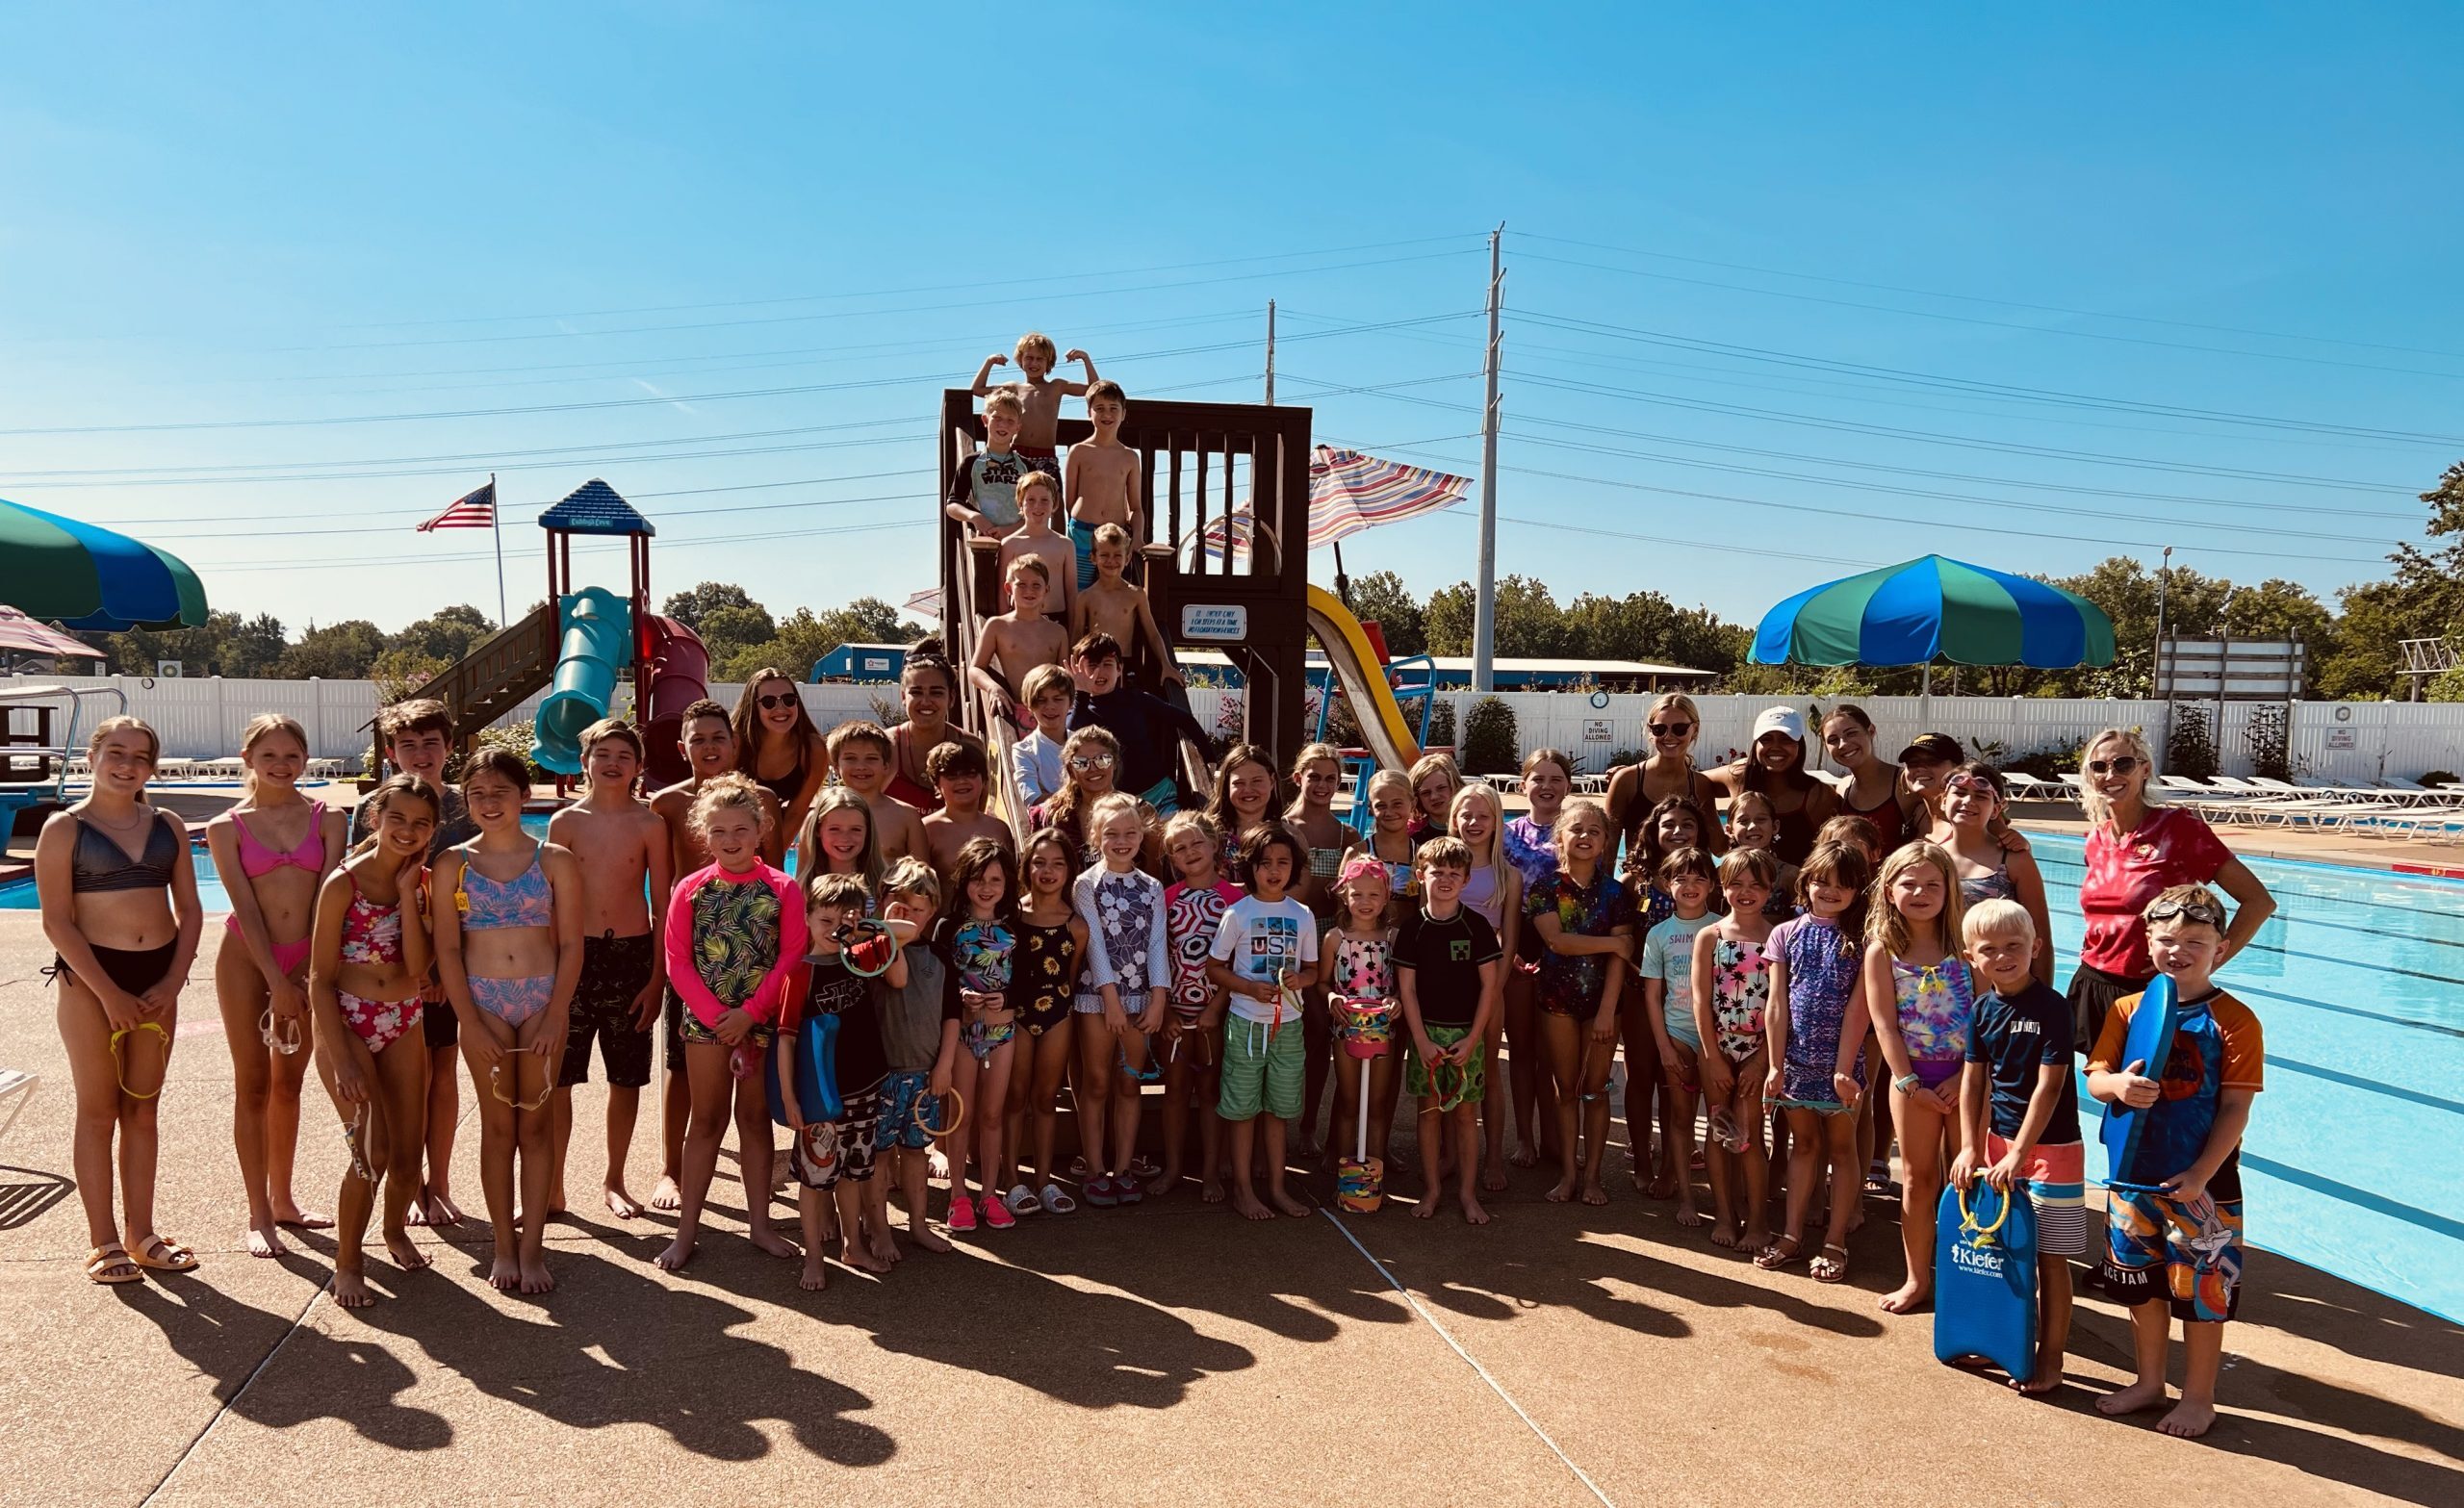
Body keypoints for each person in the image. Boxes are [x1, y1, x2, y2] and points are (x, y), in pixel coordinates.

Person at [2086, 884, 2263, 1439]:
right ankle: (2149, 1382)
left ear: (2222, 946)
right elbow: (2094, 1078)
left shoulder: (2235, 1020)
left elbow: (2236, 1106)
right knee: (2141, 1286)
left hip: (2202, 1185)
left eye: (2195, 941)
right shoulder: (2127, 1008)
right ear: (2147, 940)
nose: (2177, 950)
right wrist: (2117, 1085)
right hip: (2132, 1176)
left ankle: (2199, 1397)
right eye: (2165, 939)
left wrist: (2203, 1174)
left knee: (2203, 1295)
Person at [39, 716, 204, 1285]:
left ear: (151, 768)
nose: (127, 764)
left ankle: (141, 1233)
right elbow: (58, 922)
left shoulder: (169, 825)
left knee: (143, 1109)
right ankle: (103, 1240)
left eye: (140, 756)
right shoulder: (64, 828)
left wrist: (173, 979)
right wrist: (108, 993)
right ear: (92, 755)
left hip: (158, 976)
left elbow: (191, 910)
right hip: (91, 980)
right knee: (99, 1109)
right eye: (116, 751)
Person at [431, 750, 584, 1294]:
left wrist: (556, 1012)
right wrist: (468, 1021)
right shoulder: (454, 863)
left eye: (501, 792)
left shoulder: (555, 860)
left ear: (524, 796)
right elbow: (448, 950)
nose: (489, 803)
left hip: (543, 1000)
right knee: (499, 1129)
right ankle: (502, 1245)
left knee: (537, 1127)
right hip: (483, 1002)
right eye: (478, 794)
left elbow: (571, 944)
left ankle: (533, 1247)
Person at [206, 713, 346, 1257]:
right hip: (246, 959)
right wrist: (275, 979)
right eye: (269, 756)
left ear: (305, 760)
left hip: (307, 957)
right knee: (254, 1085)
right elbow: (243, 906)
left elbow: (328, 902)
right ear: (248, 761)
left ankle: (283, 1199)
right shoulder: (226, 827)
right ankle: (257, 1212)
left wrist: (306, 974)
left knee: (290, 1084)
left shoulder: (328, 818)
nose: (281, 765)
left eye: (292, 755)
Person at [657, 773, 808, 1271]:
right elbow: (677, 959)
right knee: (705, 1121)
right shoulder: (691, 889)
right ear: (705, 834)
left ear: (761, 828)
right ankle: (687, 1231)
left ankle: (760, 1224)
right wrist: (715, 1017)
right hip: (709, 1024)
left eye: (741, 829)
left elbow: (791, 955)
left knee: (753, 1120)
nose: (731, 840)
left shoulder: (782, 888)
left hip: (760, 1020)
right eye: (719, 831)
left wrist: (751, 1014)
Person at [305, 773, 439, 1305]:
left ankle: (394, 1231)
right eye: (398, 818)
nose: (408, 830)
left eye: (421, 823)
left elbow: (419, 966)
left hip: (403, 1016)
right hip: (347, 1019)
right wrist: (342, 1060)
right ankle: (348, 1261)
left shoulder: (421, 881)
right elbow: (318, 978)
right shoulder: (344, 883)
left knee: (408, 1154)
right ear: (375, 818)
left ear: (432, 830)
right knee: (370, 1150)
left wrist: (408, 894)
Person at [650, 699, 784, 1211]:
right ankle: (670, 1169)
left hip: (750, 959)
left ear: (734, 744)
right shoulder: (665, 804)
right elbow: (661, 887)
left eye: (718, 737)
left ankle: (756, 1171)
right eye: (699, 738)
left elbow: (775, 878)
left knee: (754, 1076)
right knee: (680, 1066)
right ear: (684, 748)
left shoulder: (762, 801)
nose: (709, 747)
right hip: (693, 954)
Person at [352, 697, 479, 1227]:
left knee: (443, 1069)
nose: (421, 754)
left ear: (449, 748)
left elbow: (477, 894)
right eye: (409, 745)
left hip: (449, 962)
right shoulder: (371, 812)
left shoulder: (466, 809)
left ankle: (439, 1182)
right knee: (401, 1082)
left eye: (432, 743)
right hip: (387, 970)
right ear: (390, 751)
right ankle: (396, 1184)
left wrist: (445, 971)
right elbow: (357, 892)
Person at [2068, 727, 2273, 1053]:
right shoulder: (2097, 838)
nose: (2110, 774)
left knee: (2153, 1095)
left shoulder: (2179, 829)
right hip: (2093, 983)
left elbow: (2259, 902)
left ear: (2144, 769)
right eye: (2099, 766)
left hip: (2154, 988)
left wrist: (2206, 964)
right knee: (2102, 1088)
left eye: (2123, 764)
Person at [1952, 899, 2083, 1396]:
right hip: (1998, 1145)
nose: (2003, 957)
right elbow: (1973, 1083)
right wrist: (1969, 1147)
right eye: (1990, 949)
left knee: (2050, 1257)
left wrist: (2020, 1153)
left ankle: (2051, 1356)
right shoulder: (1982, 1010)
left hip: (2053, 1152)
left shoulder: (2052, 1008)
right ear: (1971, 957)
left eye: (2014, 946)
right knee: (2001, 1249)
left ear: (2037, 947)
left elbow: (2049, 1087)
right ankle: (2001, 1336)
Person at [546, 718, 671, 1221]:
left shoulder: (649, 825)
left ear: (638, 766)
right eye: (603, 755)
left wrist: (658, 977)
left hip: (632, 957)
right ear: (585, 763)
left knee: (626, 1077)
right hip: (575, 957)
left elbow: (662, 904)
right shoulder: (565, 823)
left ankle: (614, 1178)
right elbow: (549, 904)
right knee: (560, 1079)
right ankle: (552, 1185)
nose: (613, 763)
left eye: (623, 755)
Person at [1860, 843, 1974, 1316]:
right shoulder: (1883, 951)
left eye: (1932, 884)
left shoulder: (1966, 946)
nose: (1921, 893)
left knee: (1968, 1179)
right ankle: (1916, 1278)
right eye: (1909, 884)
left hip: (1969, 1078)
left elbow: (1986, 1016)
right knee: (1918, 1180)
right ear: (1889, 891)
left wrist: (1966, 1073)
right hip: (1912, 1082)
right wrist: (1908, 1081)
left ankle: (1966, 1274)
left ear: (1950, 890)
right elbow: (1884, 1022)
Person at [1757, 841, 1873, 1283]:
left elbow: (1859, 1008)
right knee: (1802, 1145)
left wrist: (1843, 1068)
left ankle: (1835, 1239)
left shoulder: (1864, 938)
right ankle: (1790, 1235)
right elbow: (1776, 1006)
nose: (1830, 890)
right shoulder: (1784, 933)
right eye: (1822, 880)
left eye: (1843, 885)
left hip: (1841, 1063)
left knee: (1842, 1149)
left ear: (1857, 890)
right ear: (1806, 881)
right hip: (1796, 1060)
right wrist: (1774, 1064)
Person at [777, 871, 886, 1284]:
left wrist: (863, 932)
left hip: (864, 1086)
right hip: (819, 1095)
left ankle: (853, 1246)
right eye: (825, 921)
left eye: (843, 922)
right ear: (806, 918)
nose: (833, 931)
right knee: (816, 1176)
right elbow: (785, 1040)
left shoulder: (863, 957)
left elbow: (904, 937)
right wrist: (790, 1097)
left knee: (856, 1173)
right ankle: (813, 1256)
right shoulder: (799, 974)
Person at [1208, 823, 1321, 1220]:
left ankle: (1276, 1187)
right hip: (1245, 1024)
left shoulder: (1302, 915)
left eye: (1283, 862)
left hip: (1288, 1026)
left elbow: (1312, 970)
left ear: (1295, 867)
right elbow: (1214, 967)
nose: (1274, 870)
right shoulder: (1237, 913)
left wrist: (1301, 980)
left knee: (1279, 1110)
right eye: (1265, 862)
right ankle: (1242, 1189)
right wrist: (1246, 988)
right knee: (1241, 1110)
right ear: (1250, 867)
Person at [1525, 797, 1634, 1206]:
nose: (1585, 836)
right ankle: (1568, 1174)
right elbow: (1557, 940)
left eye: (1594, 831)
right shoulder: (1546, 888)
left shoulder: (1616, 893)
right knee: (1565, 1089)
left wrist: (1608, 1010)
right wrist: (1613, 943)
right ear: (1560, 837)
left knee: (1597, 1090)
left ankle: (1593, 1177)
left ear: (1607, 840)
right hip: (1558, 1000)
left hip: (1603, 1003)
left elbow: (1620, 963)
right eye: (1576, 829)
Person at [1072, 792, 1170, 1206]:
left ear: (1142, 834)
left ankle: (1124, 1167)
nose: (1122, 840)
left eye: (1130, 832)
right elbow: (1093, 942)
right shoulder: (1086, 884)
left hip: (1140, 998)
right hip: (1100, 998)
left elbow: (1156, 943)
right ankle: (1095, 1169)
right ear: (1096, 836)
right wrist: (1110, 1000)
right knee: (1096, 1083)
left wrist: (1159, 998)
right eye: (1112, 833)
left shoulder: (1151, 886)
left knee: (1129, 1084)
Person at [1398, 837, 1502, 1225]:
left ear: (1466, 880)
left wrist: (1474, 1038)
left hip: (1465, 1036)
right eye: (1436, 872)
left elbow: (1490, 986)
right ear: (1420, 875)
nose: (1444, 880)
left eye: (1453, 874)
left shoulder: (1476, 926)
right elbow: (1406, 988)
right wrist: (1421, 1040)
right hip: (1426, 1036)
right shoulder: (1412, 929)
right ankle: (1432, 1189)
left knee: (1464, 1116)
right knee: (1428, 1115)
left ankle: (1467, 1194)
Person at [1690, 848, 1777, 1254]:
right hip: (1717, 1048)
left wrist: (1762, 1060)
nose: (1746, 892)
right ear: (1722, 888)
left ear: (1769, 890)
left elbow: (1781, 1004)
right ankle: (1725, 1213)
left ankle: (1758, 1220)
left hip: (1758, 1049)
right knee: (1718, 1129)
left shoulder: (1777, 936)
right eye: (1737, 884)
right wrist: (1712, 1055)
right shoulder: (1710, 936)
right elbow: (1699, 999)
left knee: (1751, 1136)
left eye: (1755, 885)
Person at [879, 858, 968, 1248]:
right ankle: (879, 1229)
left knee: (916, 1152)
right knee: (879, 1156)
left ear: (933, 910)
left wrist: (945, 1065)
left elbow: (952, 1015)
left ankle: (918, 1224)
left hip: (924, 1072)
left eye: (918, 908)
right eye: (901, 907)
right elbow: (893, 977)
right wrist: (888, 930)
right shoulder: (874, 950)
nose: (910, 916)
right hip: (880, 1073)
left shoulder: (940, 956)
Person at [934, 845, 1018, 1233]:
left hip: (1003, 1032)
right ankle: (958, 1196)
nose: (986, 888)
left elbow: (1028, 980)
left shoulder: (1015, 925)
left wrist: (1008, 997)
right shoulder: (948, 927)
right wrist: (960, 997)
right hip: (962, 1034)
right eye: (978, 879)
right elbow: (936, 980)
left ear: (1007, 884)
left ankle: (989, 1193)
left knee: (991, 1114)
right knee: (960, 1114)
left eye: (995, 880)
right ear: (964, 882)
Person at [1159, 811, 1240, 1203]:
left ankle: (1211, 1172)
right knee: (1174, 1091)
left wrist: (1217, 1007)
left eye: (1196, 843)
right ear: (1171, 858)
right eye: (1179, 848)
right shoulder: (1166, 900)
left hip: (1217, 1014)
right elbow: (1158, 959)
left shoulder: (1236, 899)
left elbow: (1240, 964)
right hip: (1175, 1014)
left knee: (1210, 1093)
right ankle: (1174, 1169)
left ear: (1213, 845)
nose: (1189, 852)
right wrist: (1167, 1011)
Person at [1006, 828, 1086, 1216]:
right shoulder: (1012, 917)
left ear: (1070, 870)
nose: (1048, 871)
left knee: (1045, 1098)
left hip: (1057, 1014)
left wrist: (1058, 1006)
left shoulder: (1076, 925)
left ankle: (1043, 1180)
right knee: (1015, 1097)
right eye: (1040, 862)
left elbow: (1069, 977)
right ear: (1027, 866)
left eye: (1057, 863)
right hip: (1016, 1017)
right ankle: (1010, 1177)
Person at [1502, 748, 1575, 1170]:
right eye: (1538, 779)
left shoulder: (1579, 831)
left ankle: (1556, 1139)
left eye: (1555, 779)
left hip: (1564, 944)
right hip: (1519, 941)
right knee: (1523, 1049)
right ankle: (1526, 1138)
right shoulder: (1508, 835)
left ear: (1568, 786)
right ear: (1522, 785)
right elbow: (1499, 897)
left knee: (1558, 1055)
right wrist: (1508, 949)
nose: (1546, 787)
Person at [1638, 847, 1720, 1226]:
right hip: (1677, 1034)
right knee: (1681, 1119)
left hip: (1717, 1039)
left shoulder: (1724, 928)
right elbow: (1653, 996)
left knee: (1718, 1119)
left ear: (1713, 884)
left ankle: (1721, 1198)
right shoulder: (1659, 934)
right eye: (1681, 878)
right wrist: (1664, 1046)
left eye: (1699, 877)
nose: (1690, 885)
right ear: (1666, 884)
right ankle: (1686, 1198)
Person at [1446, 782, 1521, 1192]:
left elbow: (1508, 942)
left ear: (1497, 822)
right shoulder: (1439, 868)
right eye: (1466, 815)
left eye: (1483, 816)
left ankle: (1492, 1158)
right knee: (1444, 1067)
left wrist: (1494, 990)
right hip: (1443, 983)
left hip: (1488, 983)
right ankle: (1450, 1154)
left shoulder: (1508, 875)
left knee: (1488, 1072)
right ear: (1453, 819)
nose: (1474, 823)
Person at [1282, 741, 1351, 1152]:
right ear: (1298, 779)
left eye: (1331, 778)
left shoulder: (1349, 834)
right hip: (1291, 943)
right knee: (1288, 1035)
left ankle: (1309, 1126)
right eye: (1315, 777)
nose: (1323, 785)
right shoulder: (1284, 829)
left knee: (1322, 1033)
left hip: (1331, 945)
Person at [1323, 856, 1401, 1193]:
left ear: (1385, 897)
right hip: (1346, 1031)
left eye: (1373, 895)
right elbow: (1321, 983)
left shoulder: (1393, 938)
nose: (1365, 903)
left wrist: (1396, 999)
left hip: (1383, 1030)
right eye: (1357, 895)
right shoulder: (1335, 938)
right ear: (1345, 896)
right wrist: (1330, 999)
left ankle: (1373, 1170)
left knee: (1378, 1103)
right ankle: (1345, 1170)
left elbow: (1404, 984)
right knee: (1350, 1099)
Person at [1938, 762, 2053, 983]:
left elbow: (2040, 934)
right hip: (1945, 987)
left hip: (2001, 988)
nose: (1968, 801)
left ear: (1996, 809)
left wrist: (2042, 997)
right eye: (1960, 793)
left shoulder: (2014, 859)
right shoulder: (1932, 859)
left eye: (1981, 796)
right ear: (1944, 800)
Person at [1067, 631, 1203, 812]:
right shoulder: (1079, 709)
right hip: (1112, 803)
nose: (1099, 671)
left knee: (1172, 837)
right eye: (1092, 665)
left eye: (1107, 664)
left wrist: (1209, 760)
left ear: (1120, 669)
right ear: (1078, 670)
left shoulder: (1136, 699)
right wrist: (1081, 693)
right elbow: (1068, 738)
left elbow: (1184, 720)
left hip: (1158, 794)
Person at [1607, 692, 1729, 873]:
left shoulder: (1700, 785)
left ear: (1694, 729)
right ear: (1650, 731)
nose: (1669, 736)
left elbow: (1719, 848)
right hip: (1641, 889)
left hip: (1690, 890)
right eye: (1660, 729)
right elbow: (1608, 850)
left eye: (1679, 729)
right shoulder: (1627, 781)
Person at [1708, 706, 1838, 865]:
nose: (1776, 746)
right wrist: (1714, 830)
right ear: (1756, 744)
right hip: (1741, 886)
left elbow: (1831, 852)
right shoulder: (1739, 777)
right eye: (1767, 739)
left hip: (1794, 886)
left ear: (1800, 745)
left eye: (1786, 739)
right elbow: (1693, 781)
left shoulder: (1818, 794)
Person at [1069, 525, 1180, 689]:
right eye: (1104, 555)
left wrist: (1167, 664)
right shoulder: (1085, 597)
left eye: (1117, 555)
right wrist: (1075, 671)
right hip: (1095, 665)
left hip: (1125, 664)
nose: (1111, 561)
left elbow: (1153, 634)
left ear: (1127, 558)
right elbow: (1076, 637)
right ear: (1093, 557)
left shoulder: (1136, 594)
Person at [731, 670, 831, 847]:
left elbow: (797, 812)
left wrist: (774, 856)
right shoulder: (735, 745)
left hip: (776, 834)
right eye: (769, 702)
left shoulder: (812, 749)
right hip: (729, 834)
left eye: (788, 700)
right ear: (753, 706)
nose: (780, 708)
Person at [971, 330, 1097, 469]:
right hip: (1016, 454)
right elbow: (977, 389)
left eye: (1040, 359)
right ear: (1021, 359)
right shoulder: (1014, 388)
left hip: (1046, 455)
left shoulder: (1056, 386)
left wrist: (1085, 359)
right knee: (1017, 490)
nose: (1034, 363)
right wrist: (989, 362)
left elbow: (1095, 389)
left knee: (1050, 490)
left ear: (1049, 362)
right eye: (1029, 357)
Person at [970, 555, 1070, 725]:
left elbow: (1065, 677)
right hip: (1014, 710)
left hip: (1049, 712)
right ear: (1009, 588)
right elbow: (975, 669)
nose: (1029, 591)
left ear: (1046, 590)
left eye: (1036, 585)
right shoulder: (997, 625)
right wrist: (993, 687)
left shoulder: (1057, 632)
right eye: (1021, 584)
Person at [886, 652, 987, 815]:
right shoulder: (885, 745)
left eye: (936, 692)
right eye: (916, 692)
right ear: (903, 696)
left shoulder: (972, 747)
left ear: (951, 698)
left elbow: (979, 814)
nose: (926, 701)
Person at [1065, 377, 1141, 592]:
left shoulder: (1129, 457)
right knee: (1078, 593)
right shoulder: (1078, 451)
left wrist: (1138, 537)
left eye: (1113, 408)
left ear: (1123, 414)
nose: (1107, 414)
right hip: (1081, 533)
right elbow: (1069, 501)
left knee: (1110, 593)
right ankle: (1077, 627)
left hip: (1115, 538)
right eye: (1099, 408)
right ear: (1089, 413)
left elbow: (1136, 506)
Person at [1819, 704, 1921, 856]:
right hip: (1851, 879)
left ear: (1871, 731)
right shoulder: (1843, 788)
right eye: (1833, 740)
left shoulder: (1905, 783)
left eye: (1851, 733)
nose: (1843, 744)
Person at [823, 720, 927, 864]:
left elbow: (924, 878)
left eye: (871, 758)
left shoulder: (906, 816)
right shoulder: (821, 816)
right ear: (835, 767)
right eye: (850, 758)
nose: (861, 766)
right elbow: (805, 878)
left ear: (886, 766)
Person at [942, 387, 1038, 541]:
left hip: (1019, 541)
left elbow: (1037, 508)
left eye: (1010, 420)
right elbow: (952, 505)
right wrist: (975, 517)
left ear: (1017, 428)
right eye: (997, 418)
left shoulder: (1026, 467)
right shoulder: (972, 463)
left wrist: (1010, 530)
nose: (1003, 424)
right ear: (985, 420)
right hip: (986, 541)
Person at [921, 740, 1013, 877]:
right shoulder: (927, 829)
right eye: (952, 776)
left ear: (984, 781)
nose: (962, 781)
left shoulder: (1000, 829)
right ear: (937, 784)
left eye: (970, 774)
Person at [998, 473, 1078, 625]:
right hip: (1020, 622)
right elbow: (1002, 593)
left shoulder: (1065, 545)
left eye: (1044, 500)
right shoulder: (1010, 544)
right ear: (1020, 503)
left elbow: (1072, 593)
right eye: (1031, 500)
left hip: (1057, 621)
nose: (1037, 506)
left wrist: (1074, 631)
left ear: (1054, 504)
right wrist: (1005, 627)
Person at [1032, 724, 1124, 856]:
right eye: (1081, 763)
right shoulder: (1052, 815)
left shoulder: (1140, 811)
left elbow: (1153, 871)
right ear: (1071, 770)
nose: (1093, 768)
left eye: (1102, 760)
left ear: (1114, 763)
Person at [1348, 769, 1422, 915]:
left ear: (1413, 804)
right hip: (1365, 937)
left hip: (1408, 936)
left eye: (1397, 804)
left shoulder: (1421, 856)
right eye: (1381, 806)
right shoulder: (1357, 852)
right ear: (1371, 808)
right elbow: (1343, 907)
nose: (1390, 812)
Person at [1208, 742, 1281, 884]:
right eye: (1239, 783)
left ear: (1272, 782)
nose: (1248, 790)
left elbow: (1298, 891)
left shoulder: (1288, 835)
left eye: (1257, 781)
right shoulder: (1207, 835)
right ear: (1226, 785)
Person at [1725, 790, 1800, 922]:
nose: (1753, 826)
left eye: (1761, 819)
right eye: (1744, 821)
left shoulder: (1790, 875)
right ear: (1730, 830)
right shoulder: (1721, 872)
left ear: (1775, 827)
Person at [1011, 664, 1076, 807]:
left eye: (1058, 699)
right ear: (1029, 705)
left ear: (1070, 703)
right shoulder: (1024, 750)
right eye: (1041, 700)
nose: (1050, 706)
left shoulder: (1083, 744)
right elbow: (1032, 799)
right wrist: (1081, 797)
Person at [1406, 752, 1461, 845]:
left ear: (1455, 786)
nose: (1434, 797)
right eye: (1426, 793)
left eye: (1441, 788)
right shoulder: (1414, 838)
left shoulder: (1472, 830)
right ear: (1417, 799)